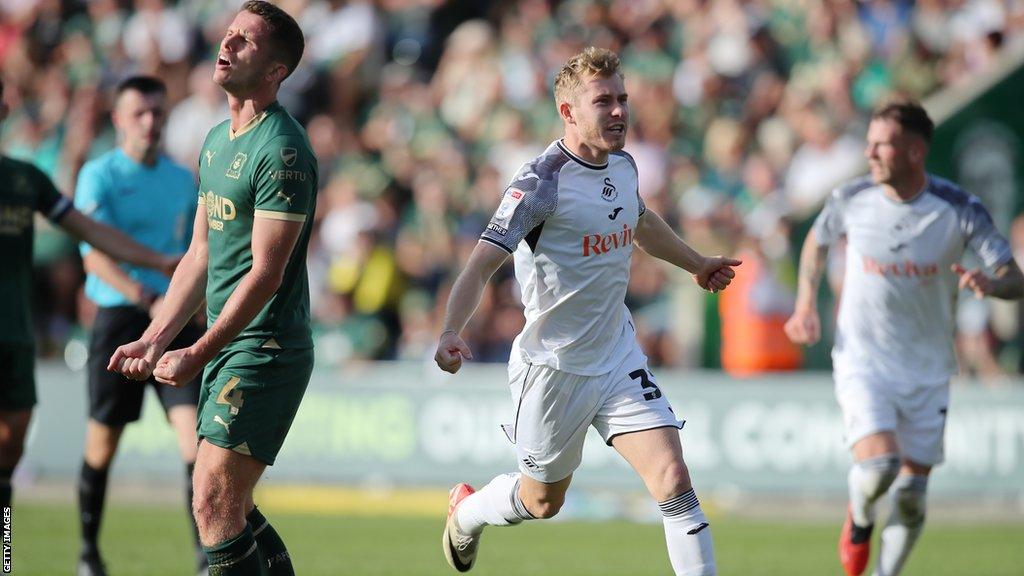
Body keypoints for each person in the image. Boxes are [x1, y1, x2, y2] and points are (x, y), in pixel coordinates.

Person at [434, 47, 740, 576]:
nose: (620, 110)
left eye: (623, 98)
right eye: (604, 101)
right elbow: (481, 263)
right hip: (553, 367)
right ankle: (468, 512)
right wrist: (449, 330)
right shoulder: (539, 183)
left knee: (673, 479)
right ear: (568, 111)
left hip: (617, 353)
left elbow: (640, 221)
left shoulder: (623, 164)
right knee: (542, 502)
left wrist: (695, 263)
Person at [107, 2, 316, 574]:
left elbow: (267, 274)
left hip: (264, 347)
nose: (226, 45)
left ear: (276, 71)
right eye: (228, 34)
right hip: (230, 347)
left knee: (211, 501)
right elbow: (199, 254)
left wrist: (199, 350)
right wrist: (154, 339)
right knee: (230, 505)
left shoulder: (283, 150)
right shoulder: (216, 139)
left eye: (245, 41)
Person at [784, 98, 1024, 576]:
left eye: (882, 145)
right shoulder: (851, 198)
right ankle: (859, 518)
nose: (870, 154)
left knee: (912, 496)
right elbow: (817, 239)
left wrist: (990, 284)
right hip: (863, 359)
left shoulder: (960, 208)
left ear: (915, 151)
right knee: (879, 467)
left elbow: (1013, 275)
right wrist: (806, 304)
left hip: (930, 367)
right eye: (869, 144)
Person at [0, 76, 178, 514]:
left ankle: (3, 556)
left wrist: (160, 262)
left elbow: (91, 233)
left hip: (14, 336)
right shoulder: (91, 174)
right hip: (93, 318)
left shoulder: (25, 180)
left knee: (9, 453)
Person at [73, 75, 206, 576]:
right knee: (101, 445)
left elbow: (199, 254)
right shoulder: (98, 175)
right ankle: (88, 553)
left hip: (172, 320)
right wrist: (145, 294)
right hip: (121, 317)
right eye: (140, 114)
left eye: (158, 113)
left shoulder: (181, 179)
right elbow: (94, 257)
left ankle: (203, 557)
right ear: (118, 120)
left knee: (194, 439)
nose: (151, 122)